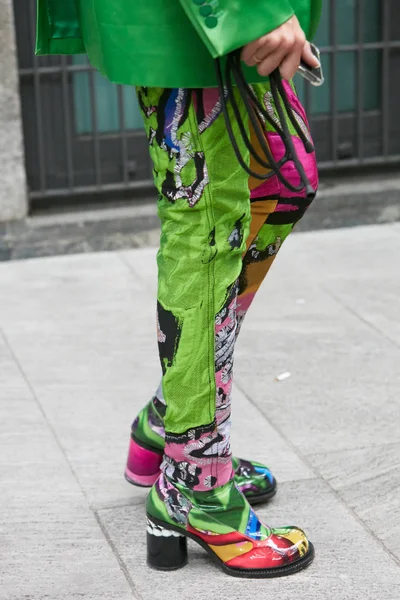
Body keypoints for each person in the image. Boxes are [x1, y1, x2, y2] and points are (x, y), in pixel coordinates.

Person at [37, 0, 322, 578]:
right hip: (193, 20)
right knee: (208, 225)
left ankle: (175, 417)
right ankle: (195, 480)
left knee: (286, 180)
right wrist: (249, 11)